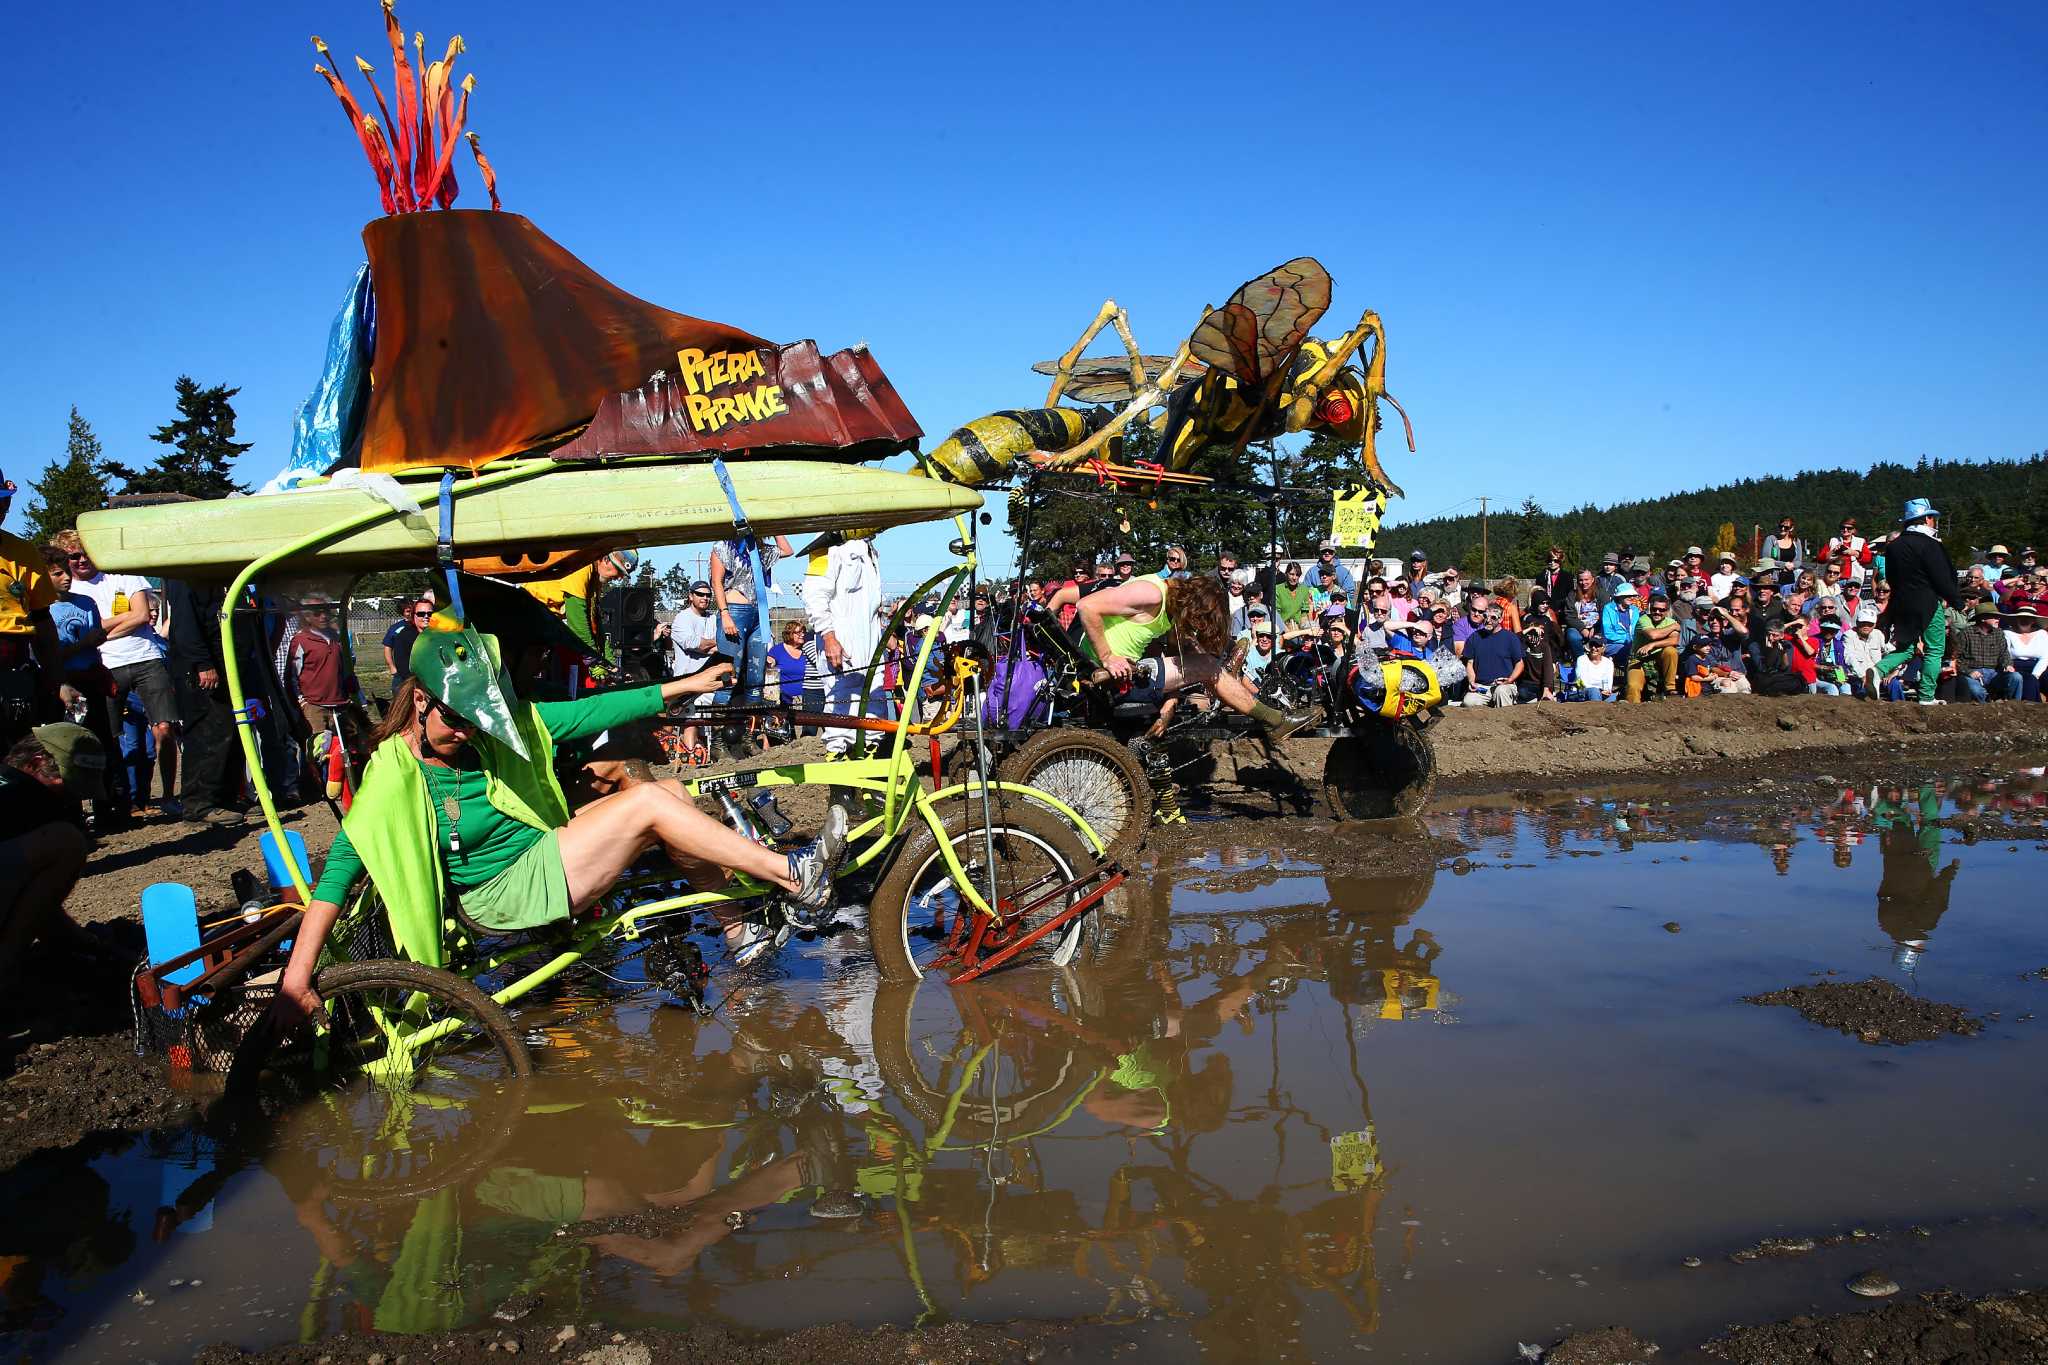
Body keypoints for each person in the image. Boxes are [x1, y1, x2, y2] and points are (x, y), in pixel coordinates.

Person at [262, 623, 850, 1038]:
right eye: (456, 718)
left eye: (477, 718)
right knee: (647, 801)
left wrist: (686, 687)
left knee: (668, 792)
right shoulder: (395, 774)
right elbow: (339, 872)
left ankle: (736, 929)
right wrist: (296, 979)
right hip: (503, 894)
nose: (468, 731)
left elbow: (590, 713)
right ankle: (793, 877)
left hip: (539, 855)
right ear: (419, 701)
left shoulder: (496, 728)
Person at [1075, 571, 1312, 737]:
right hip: (1109, 679)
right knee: (1207, 666)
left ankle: (1271, 718)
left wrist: (1170, 701)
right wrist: (1107, 657)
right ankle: (1275, 722)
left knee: (1204, 663)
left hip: (1128, 673)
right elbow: (1087, 606)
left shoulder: (1168, 607)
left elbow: (1167, 655)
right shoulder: (1152, 593)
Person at [54, 530, 180, 816]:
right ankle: (117, 802)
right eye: (74, 556)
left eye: (87, 553)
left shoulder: (124, 575)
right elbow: (129, 619)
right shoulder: (70, 591)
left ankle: (169, 795)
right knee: (109, 738)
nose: (82, 560)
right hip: (105, 667)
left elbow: (139, 614)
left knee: (164, 729)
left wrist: (99, 633)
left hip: (146, 658)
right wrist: (111, 628)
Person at [0, 723, 113, 982]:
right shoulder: (22, 795)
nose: (72, 801)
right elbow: (40, 912)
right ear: (36, 764)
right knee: (67, 843)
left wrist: (81, 940)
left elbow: (32, 901)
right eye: (69, 788)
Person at [164, 577, 249, 825]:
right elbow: (186, 626)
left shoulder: (213, 577)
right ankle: (198, 805)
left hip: (225, 665)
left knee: (227, 734)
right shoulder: (187, 580)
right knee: (206, 733)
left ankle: (224, 798)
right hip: (200, 670)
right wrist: (202, 663)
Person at [1875, 498, 1966, 706]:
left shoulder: (1894, 546)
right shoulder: (1930, 544)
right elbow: (1941, 576)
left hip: (1901, 602)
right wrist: (1957, 601)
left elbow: (1891, 577)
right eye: (1932, 518)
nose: (1933, 522)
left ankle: (1877, 670)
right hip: (1927, 602)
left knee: (1906, 647)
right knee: (1935, 648)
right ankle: (1926, 696)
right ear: (1926, 519)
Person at [805, 532, 883, 757]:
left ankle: (871, 750)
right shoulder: (826, 547)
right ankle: (837, 758)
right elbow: (814, 595)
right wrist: (829, 637)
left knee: (873, 692)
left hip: (870, 640)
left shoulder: (870, 550)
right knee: (840, 697)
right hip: (841, 639)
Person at [1, 474, 61, 749]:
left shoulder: (22, 552)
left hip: (14, 664)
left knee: (17, 751)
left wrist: (55, 676)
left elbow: (42, 617)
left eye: (3, 504)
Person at [665, 580, 721, 763]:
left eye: (707, 595)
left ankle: (703, 756)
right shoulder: (682, 618)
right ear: (691, 596)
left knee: (707, 722)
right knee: (691, 721)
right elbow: (697, 645)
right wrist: (713, 643)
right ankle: (690, 757)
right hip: (687, 682)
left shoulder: (713, 618)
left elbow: (715, 646)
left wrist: (708, 644)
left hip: (710, 681)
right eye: (700, 594)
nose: (705, 598)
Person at [1950, 601, 2020, 701]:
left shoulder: (1999, 633)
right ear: (1983, 619)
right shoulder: (1966, 633)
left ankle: (2014, 705)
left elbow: (2004, 654)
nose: (1998, 619)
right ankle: (1988, 707)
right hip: (1972, 673)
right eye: (1994, 617)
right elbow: (1955, 658)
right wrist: (1969, 672)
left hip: (1994, 673)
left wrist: (2007, 665)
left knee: (2016, 677)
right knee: (1976, 690)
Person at [1458, 603, 1524, 706]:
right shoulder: (1475, 637)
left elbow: (1519, 664)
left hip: (1505, 685)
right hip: (1482, 687)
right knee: (1468, 702)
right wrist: (1472, 681)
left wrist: (1509, 680)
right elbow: (1470, 663)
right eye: (1485, 616)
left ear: (1501, 619)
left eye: (1493, 617)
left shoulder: (1511, 638)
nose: (1488, 620)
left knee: (1501, 691)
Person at [1625, 593, 1680, 700]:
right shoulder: (1644, 619)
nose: (1657, 612)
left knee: (1671, 651)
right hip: (1638, 661)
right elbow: (1653, 635)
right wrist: (1673, 627)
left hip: (1658, 661)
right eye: (1654, 609)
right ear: (1650, 608)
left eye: (1661, 610)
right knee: (1633, 687)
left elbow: (1675, 640)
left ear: (1667, 611)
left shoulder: (1670, 621)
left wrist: (1652, 645)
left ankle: (1670, 688)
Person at [382, 598, 432, 694]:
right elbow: (403, 667)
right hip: (412, 683)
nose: (426, 617)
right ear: (414, 615)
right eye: (421, 614)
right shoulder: (403, 636)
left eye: (430, 614)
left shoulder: (439, 634)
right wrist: (391, 666)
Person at [1843, 605, 1892, 699]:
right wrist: (1862, 676)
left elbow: (1889, 651)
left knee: (1894, 684)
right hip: (1858, 676)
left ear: (1874, 625)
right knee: (1861, 690)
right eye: (1863, 623)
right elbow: (1849, 658)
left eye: (1869, 624)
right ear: (1857, 623)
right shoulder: (1849, 636)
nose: (1866, 626)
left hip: (1878, 675)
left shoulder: (1878, 634)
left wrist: (1894, 672)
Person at [2005, 610, 2047, 702]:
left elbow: (2045, 657)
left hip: (2038, 665)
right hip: (2015, 665)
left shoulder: (2042, 634)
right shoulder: (2008, 633)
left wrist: (2036, 674)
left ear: (2033, 621)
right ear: (2016, 620)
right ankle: (2031, 706)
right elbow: (2005, 654)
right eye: (2021, 618)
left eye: (2028, 618)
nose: (2024, 620)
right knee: (2029, 680)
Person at [1516, 622, 1560, 702]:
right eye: (1530, 635)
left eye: (1535, 634)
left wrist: (1546, 688)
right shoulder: (1524, 644)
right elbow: (1514, 638)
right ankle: (1533, 700)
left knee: (1546, 697)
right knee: (1522, 692)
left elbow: (1548, 669)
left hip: (1542, 683)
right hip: (1527, 682)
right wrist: (1530, 629)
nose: (1533, 637)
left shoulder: (1545, 646)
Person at [1600, 582, 1640, 665]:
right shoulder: (1608, 608)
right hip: (1611, 644)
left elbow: (1636, 630)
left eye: (1632, 595)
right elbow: (1608, 633)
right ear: (1620, 596)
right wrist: (1626, 639)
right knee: (1627, 650)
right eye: (1627, 595)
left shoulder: (1635, 610)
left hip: (1632, 644)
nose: (1631, 597)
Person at [1565, 636, 1615, 701]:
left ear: (1603, 648)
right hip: (1581, 691)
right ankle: (1597, 709)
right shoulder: (1582, 660)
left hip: (1601, 693)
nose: (1593, 648)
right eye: (1592, 645)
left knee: (1613, 698)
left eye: (1597, 645)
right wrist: (1597, 691)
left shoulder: (1608, 663)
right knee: (1594, 692)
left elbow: (1608, 682)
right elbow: (1582, 682)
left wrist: (1607, 690)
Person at [1824, 518, 1873, 585]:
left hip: (1854, 579)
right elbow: (1821, 558)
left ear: (1854, 530)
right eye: (1842, 527)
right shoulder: (1833, 540)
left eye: (1849, 528)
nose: (1845, 530)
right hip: (1835, 579)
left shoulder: (1861, 541)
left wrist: (1854, 553)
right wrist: (1833, 551)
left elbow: (1869, 559)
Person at [1274, 562, 1314, 630]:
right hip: (1282, 626)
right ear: (1286, 574)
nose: (1294, 578)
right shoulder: (1278, 589)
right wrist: (1285, 628)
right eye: (1292, 574)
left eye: (1297, 575)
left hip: (1299, 627)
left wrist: (1301, 628)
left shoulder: (1304, 589)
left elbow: (1304, 612)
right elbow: (1276, 613)